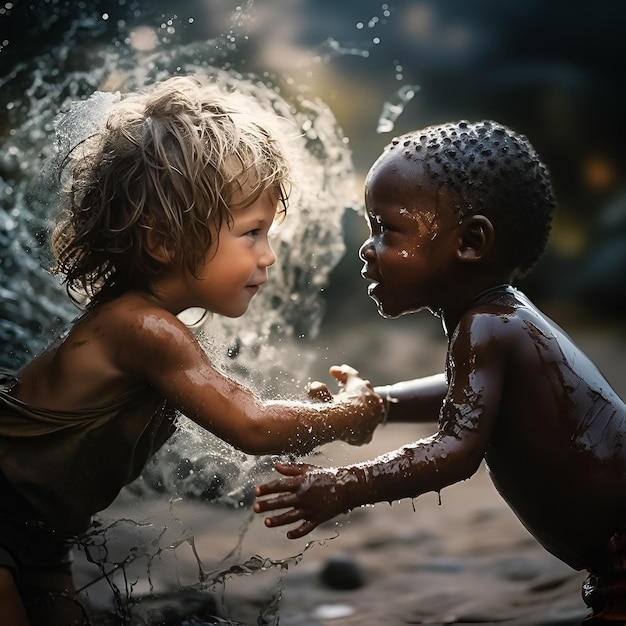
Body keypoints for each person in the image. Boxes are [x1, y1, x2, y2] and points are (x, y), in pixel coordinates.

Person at [0, 76, 385, 625]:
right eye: (252, 233)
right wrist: (345, 417)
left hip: (39, 531)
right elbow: (249, 424)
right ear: (161, 241)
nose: (268, 256)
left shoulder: (141, 323)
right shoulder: (143, 329)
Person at [254, 120, 626, 625]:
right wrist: (380, 405)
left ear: (470, 241)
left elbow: (456, 450)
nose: (367, 249)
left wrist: (346, 485)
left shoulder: (489, 327)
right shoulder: (502, 319)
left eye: (386, 229)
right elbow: (467, 395)